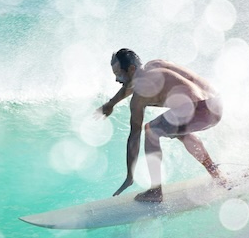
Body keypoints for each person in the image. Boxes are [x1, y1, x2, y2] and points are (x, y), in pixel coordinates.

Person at [96, 48, 225, 202]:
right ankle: (218, 175)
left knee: (151, 130)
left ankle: (155, 191)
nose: (117, 79)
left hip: (202, 112)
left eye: (118, 74)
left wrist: (130, 176)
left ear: (131, 69)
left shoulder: (139, 97)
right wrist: (111, 103)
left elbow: (134, 136)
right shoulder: (155, 64)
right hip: (216, 103)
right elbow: (131, 84)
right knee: (178, 129)